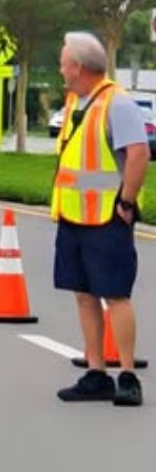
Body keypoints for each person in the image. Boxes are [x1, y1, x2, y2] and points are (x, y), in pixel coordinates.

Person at [52, 31, 149, 406]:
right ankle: (96, 372)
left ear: (77, 67)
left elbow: (138, 154)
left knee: (115, 296)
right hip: (75, 216)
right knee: (84, 295)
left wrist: (126, 203)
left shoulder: (116, 104)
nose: (61, 69)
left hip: (108, 217)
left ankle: (127, 375)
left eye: (63, 62)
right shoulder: (78, 102)